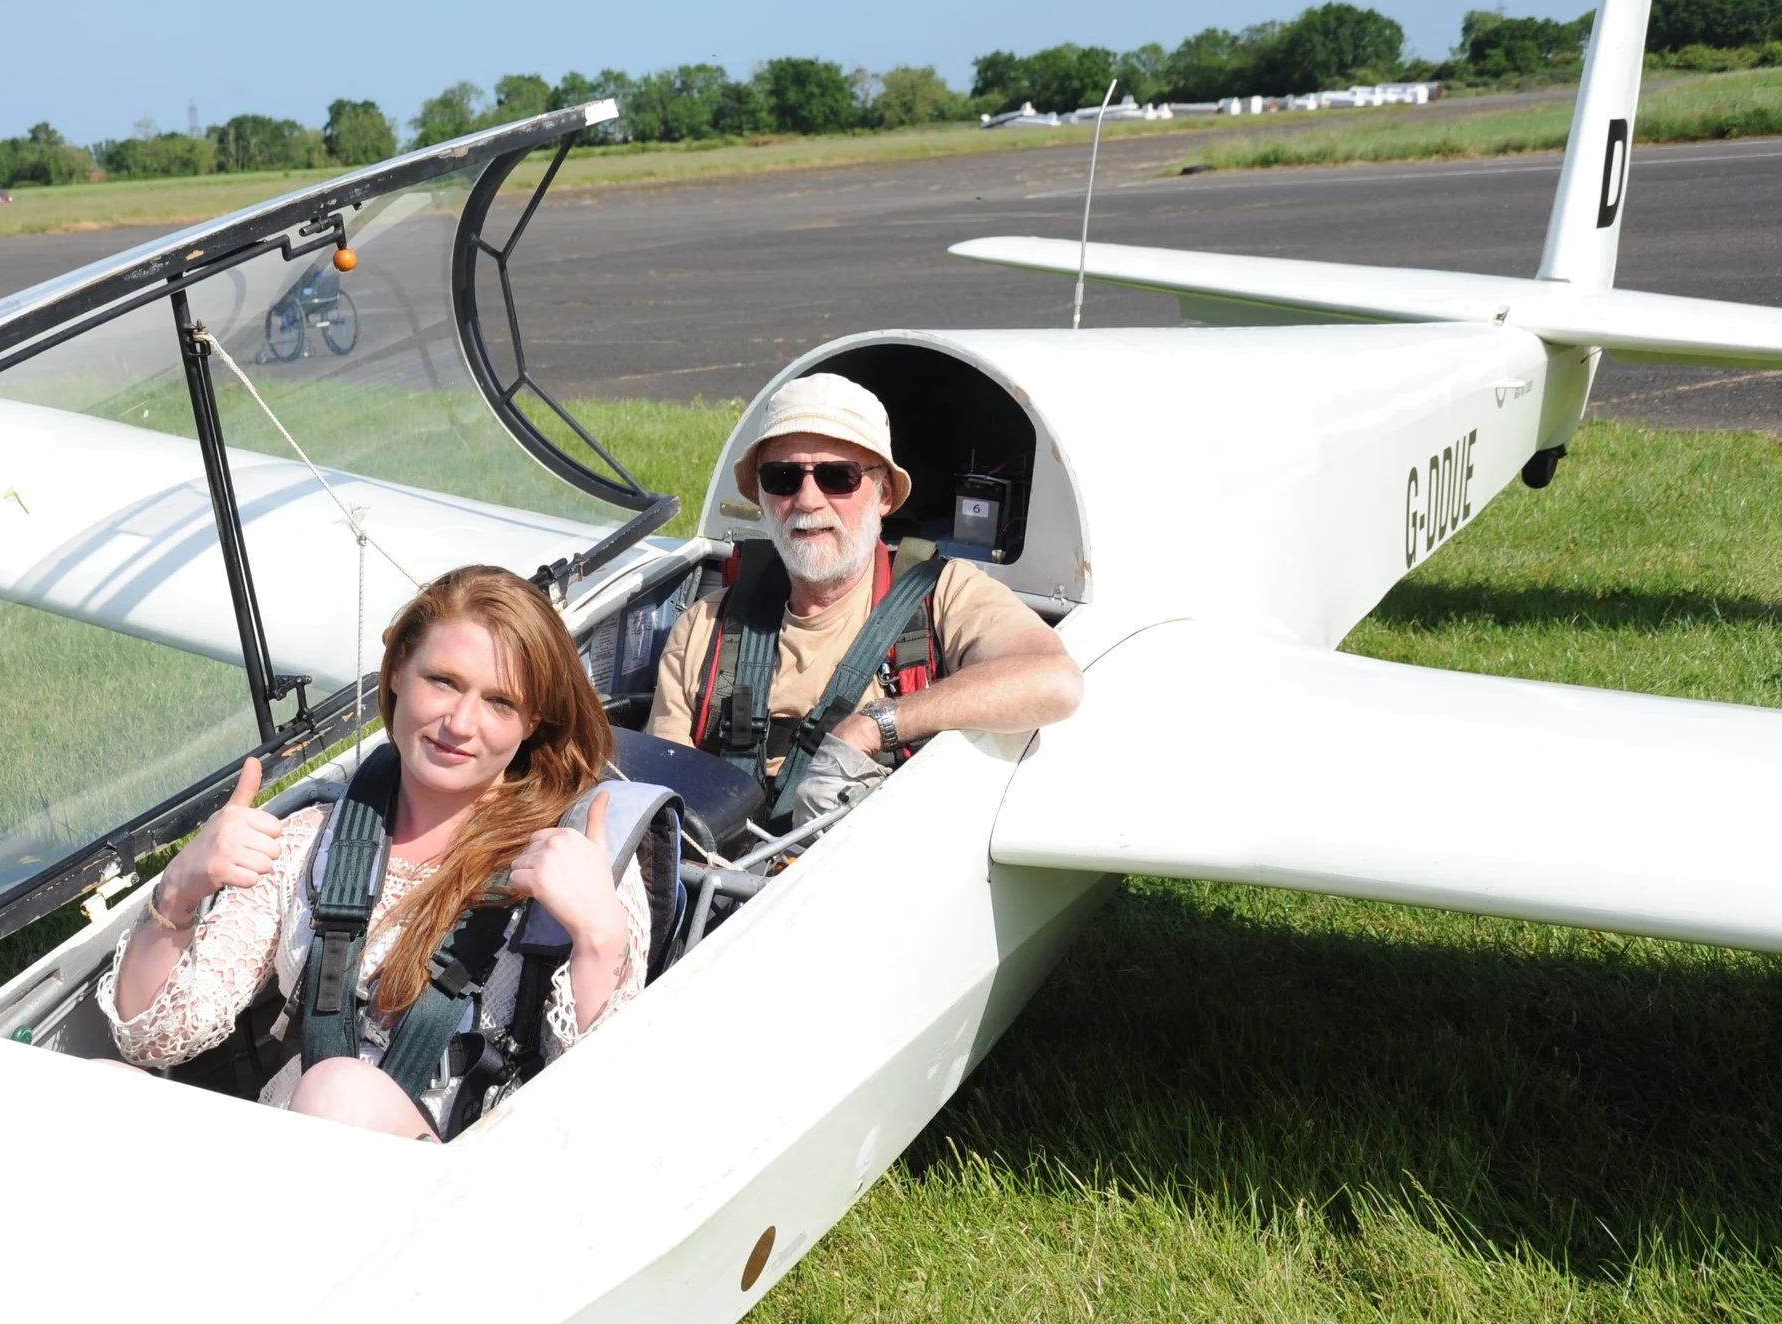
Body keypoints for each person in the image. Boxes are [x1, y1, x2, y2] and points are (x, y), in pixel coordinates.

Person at [99, 565, 651, 1140]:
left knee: (341, 1092)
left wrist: (599, 937)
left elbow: (599, 1113)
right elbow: (154, 1041)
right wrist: (180, 889)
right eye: (443, 681)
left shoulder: (578, 861)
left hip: (461, 1168)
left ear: (533, 721)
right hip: (295, 1139)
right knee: (100, 1084)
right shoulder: (311, 840)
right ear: (398, 671)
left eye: (500, 703)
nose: (461, 723)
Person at [646, 371, 1082, 822]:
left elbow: (1054, 680)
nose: (807, 500)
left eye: (838, 477)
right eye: (783, 477)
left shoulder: (943, 596)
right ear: (761, 496)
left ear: (884, 494)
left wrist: (876, 725)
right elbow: (663, 807)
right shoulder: (703, 629)